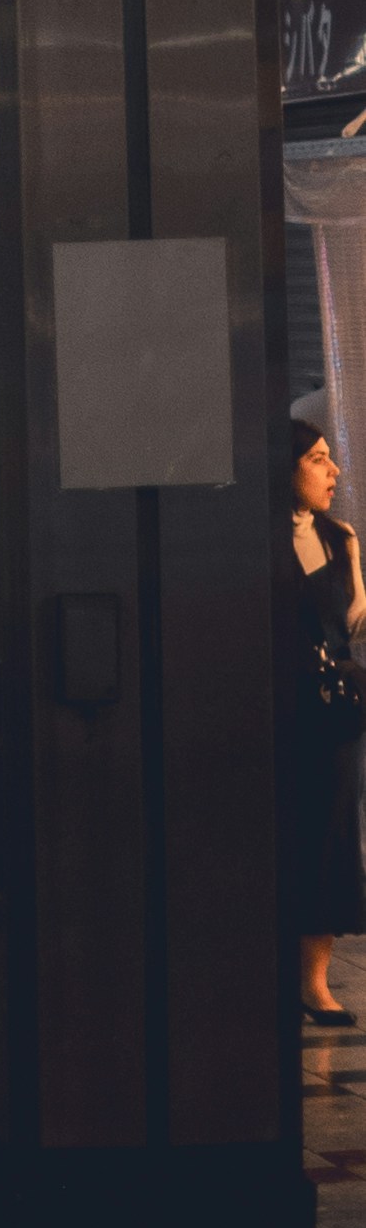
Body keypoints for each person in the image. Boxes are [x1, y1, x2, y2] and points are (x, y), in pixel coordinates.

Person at [287, 427, 366, 1028]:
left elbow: (352, 623)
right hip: (283, 705)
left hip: (333, 712)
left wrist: (356, 566)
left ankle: (315, 982)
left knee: (332, 837)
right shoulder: (263, 538)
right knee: (286, 835)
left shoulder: (337, 537)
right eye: (317, 459)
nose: (333, 471)